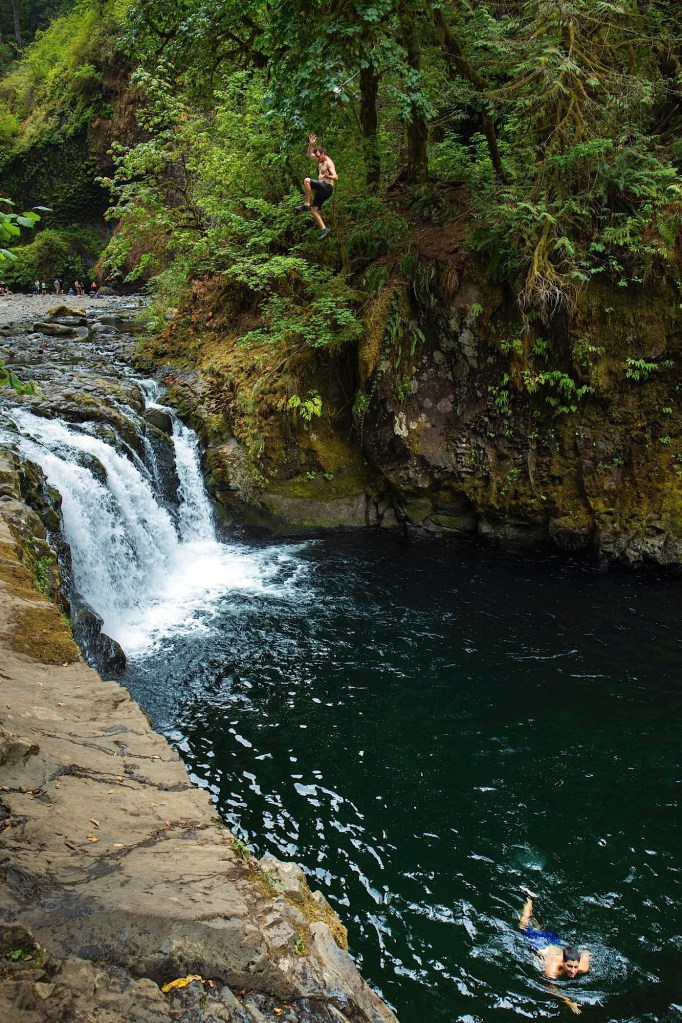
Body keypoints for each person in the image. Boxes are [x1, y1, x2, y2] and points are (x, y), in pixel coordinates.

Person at [519, 891, 590, 1014]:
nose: (573, 971)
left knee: (537, 930)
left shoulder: (583, 967)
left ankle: (532, 908)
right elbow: (550, 987)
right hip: (539, 944)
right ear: (563, 962)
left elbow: (586, 952)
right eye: (569, 966)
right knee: (522, 926)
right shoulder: (552, 970)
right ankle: (529, 898)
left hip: (553, 940)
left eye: (575, 967)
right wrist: (568, 1001)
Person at [295, 134, 338, 240]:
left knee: (307, 180)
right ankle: (324, 229)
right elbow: (309, 155)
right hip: (322, 191)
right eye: (317, 157)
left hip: (327, 187)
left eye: (319, 156)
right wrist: (311, 144)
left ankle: (306, 204)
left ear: (323, 154)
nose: (317, 158)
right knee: (313, 211)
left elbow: (336, 177)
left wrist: (328, 176)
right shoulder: (320, 160)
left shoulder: (328, 163)